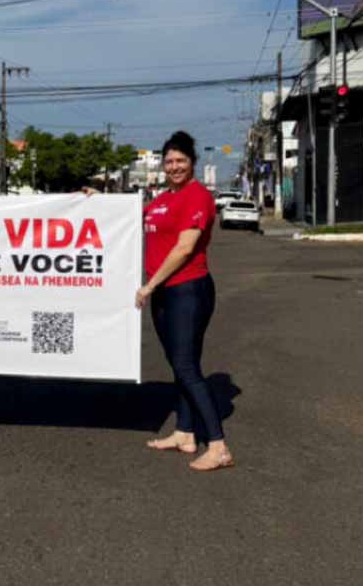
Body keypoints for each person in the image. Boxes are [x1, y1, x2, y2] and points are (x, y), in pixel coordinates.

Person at [138, 131, 234, 471]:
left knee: (187, 367)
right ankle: (185, 432)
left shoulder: (197, 196)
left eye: (180, 160)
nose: (174, 166)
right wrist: (94, 201)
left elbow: (184, 248)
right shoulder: (163, 198)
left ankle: (219, 446)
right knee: (179, 364)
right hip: (164, 291)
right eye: (169, 161)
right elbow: (131, 220)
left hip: (187, 289)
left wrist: (149, 285)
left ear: (192, 162)